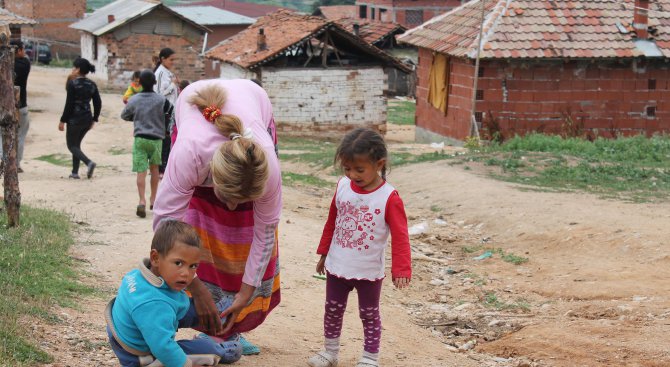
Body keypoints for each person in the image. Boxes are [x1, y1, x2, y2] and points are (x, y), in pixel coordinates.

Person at [152, 79, 281, 359]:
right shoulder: (190, 154)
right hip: (193, 106)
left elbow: (265, 232)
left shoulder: (267, 164)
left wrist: (247, 293)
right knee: (199, 227)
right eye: (228, 198)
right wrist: (195, 286)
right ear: (212, 179)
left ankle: (231, 325)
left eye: (243, 201)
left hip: (253, 100)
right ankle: (207, 323)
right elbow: (166, 226)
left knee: (241, 235)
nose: (234, 208)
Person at [308, 128, 412, 367]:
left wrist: (402, 269)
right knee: (332, 310)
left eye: (359, 169)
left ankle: (369, 358)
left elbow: (400, 235)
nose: (352, 174)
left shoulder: (389, 197)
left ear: (379, 164)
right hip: (337, 266)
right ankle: (330, 352)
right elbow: (332, 219)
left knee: (369, 314)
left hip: (368, 272)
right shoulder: (343, 186)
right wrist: (324, 253)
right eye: (347, 168)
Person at [106, 220, 242, 367]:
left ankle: (219, 315)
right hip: (141, 356)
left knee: (193, 307)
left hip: (137, 330)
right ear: (155, 258)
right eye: (178, 263)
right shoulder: (154, 304)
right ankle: (220, 349)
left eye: (193, 266)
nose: (186, 273)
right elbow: (163, 348)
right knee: (205, 349)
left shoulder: (138, 275)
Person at [120, 70, 173, 218]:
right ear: (155, 83)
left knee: (141, 171)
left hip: (140, 139)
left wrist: (137, 118)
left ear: (140, 83)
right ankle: (153, 199)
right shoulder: (161, 100)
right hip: (156, 139)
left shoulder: (134, 99)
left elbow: (124, 115)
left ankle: (141, 200)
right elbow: (172, 111)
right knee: (155, 169)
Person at [59, 57, 100, 179]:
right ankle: (74, 172)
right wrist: (94, 118)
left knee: (71, 146)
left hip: (74, 120)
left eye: (74, 67)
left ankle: (89, 162)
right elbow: (98, 103)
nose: (72, 69)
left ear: (78, 70)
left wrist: (62, 120)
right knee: (76, 145)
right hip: (87, 119)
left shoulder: (73, 84)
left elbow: (69, 104)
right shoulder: (92, 84)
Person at [153, 48, 179, 176]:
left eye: (174, 60)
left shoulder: (168, 73)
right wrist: (173, 85)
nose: (173, 62)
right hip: (164, 111)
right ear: (163, 59)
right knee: (165, 139)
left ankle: (165, 166)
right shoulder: (160, 74)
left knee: (169, 139)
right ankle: (161, 168)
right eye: (171, 60)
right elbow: (159, 94)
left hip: (171, 111)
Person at [11, 40, 30, 173]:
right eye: (23, 49)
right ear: (18, 51)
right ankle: (16, 164)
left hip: (4, 106)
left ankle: (3, 159)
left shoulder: (3, 64)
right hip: (21, 105)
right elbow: (26, 58)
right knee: (20, 135)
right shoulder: (25, 64)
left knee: (2, 134)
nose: (25, 52)